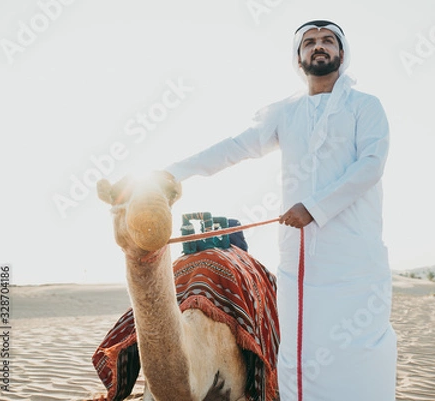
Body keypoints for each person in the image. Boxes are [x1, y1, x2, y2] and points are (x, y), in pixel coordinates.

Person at [165, 19, 397, 400]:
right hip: (299, 259)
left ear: (342, 53)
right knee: (297, 355)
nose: (318, 46)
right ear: (299, 56)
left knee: (362, 349)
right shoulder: (286, 114)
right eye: (309, 42)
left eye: (327, 41)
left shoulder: (365, 107)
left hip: (355, 256)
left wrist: (315, 207)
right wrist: (173, 172)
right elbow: (234, 147)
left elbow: (371, 165)